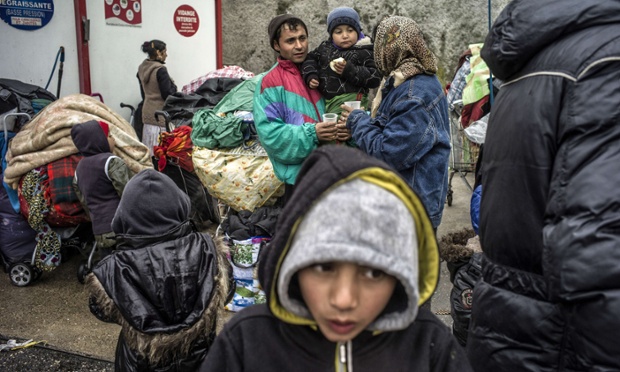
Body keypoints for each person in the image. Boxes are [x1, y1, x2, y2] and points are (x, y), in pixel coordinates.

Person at [199, 145, 472, 371]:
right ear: (291, 260)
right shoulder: (246, 343)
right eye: (323, 267)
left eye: (374, 272)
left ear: (402, 272)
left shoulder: (430, 347)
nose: (343, 300)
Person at [466, 1, 620, 371]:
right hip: (561, 341)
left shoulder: (541, 56)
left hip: (510, 327)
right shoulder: (606, 61)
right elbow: (601, 253)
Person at [85, 168, 231, 371]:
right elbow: (228, 289)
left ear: (124, 214)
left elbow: (100, 310)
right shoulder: (208, 249)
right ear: (180, 205)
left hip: (140, 364)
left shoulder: (114, 267)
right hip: (202, 361)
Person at [342, 15, 450, 231]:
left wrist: (357, 121)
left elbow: (389, 153)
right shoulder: (412, 78)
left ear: (387, 49)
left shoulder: (413, 95)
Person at [253, 14, 347, 196]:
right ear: (276, 45)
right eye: (290, 41)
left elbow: (343, 105)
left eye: (302, 38)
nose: (299, 46)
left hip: (335, 174)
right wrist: (313, 133)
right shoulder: (270, 83)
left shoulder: (324, 72)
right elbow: (271, 136)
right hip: (300, 183)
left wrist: (349, 126)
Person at [301, 7, 381, 114]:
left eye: (350, 30)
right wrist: (311, 75)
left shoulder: (365, 50)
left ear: (358, 31)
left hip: (354, 102)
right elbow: (310, 59)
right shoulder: (325, 48)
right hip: (328, 103)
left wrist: (349, 70)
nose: (345, 36)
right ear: (331, 35)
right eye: (338, 32)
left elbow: (375, 78)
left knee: (345, 128)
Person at [71, 120, 132, 254]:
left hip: (99, 230)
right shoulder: (111, 162)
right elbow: (128, 193)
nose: (113, 139)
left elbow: (84, 202)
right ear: (98, 140)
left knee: (109, 266)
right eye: (109, 136)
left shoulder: (79, 170)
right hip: (122, 228)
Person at [137, 39, 177, 154]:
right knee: (160, 151)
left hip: (147, 112)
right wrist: (174, 88)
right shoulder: (160, 70)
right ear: (159, 53)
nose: (166, 55)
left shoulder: (142, 68)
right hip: (160, 115)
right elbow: (167, 95)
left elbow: (143, 93)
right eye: (165, 52)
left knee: (150, 147)